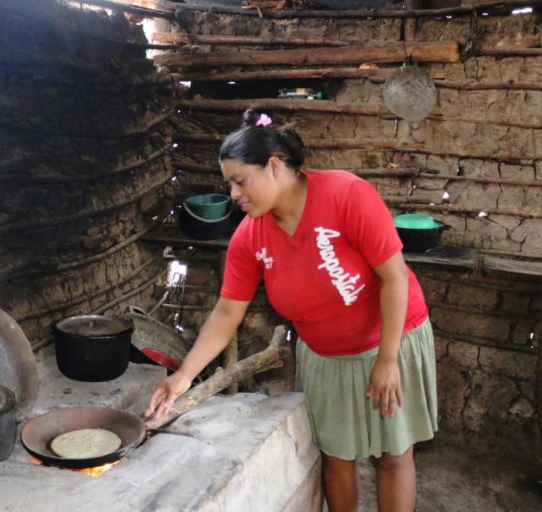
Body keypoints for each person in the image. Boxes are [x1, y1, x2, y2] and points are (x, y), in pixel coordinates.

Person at [144, 109, 438, 512]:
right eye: (229, 183)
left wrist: (388, 360)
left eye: (240, 181)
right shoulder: (250, 237)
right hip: (324, 355)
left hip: (388, 340)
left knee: (393, 455)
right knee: (337, 455)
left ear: (275, 167)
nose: (233, 194)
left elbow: (395, 278)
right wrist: (183, 377)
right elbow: (228, 312)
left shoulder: (345, 195)